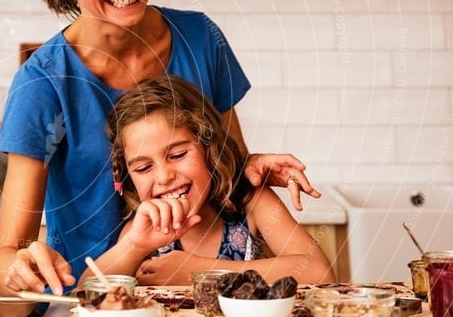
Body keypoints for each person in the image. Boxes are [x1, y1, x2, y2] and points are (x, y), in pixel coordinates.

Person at [0, 0, 320, 317]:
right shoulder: (42, 83)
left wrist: (253, 166)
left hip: (206, 311)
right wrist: (19, 268)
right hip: (98, 313)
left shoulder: (202, 38)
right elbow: (7, 256)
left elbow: (226, 175)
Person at [84, 75, 335, 286]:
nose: (164, 176)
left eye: (178, 154)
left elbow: (320, 273)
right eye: (143, 167)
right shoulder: (145, 229)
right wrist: (135, 246)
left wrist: (197, 272)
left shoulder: (251, 202)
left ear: (209, 148)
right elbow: (86, 292)